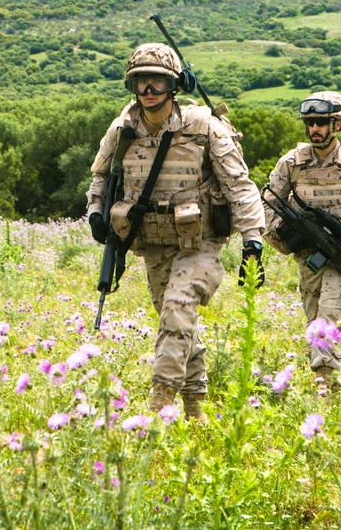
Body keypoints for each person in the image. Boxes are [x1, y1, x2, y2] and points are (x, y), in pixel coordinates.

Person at [85, 43, 264, 420]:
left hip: (199, 241)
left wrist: (253, 240)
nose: (148, 91)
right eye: (140, 82)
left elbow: (240, 186)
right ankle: (195, 410)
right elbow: (101, 177)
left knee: (178, 310)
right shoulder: (122, 129)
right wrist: (96, 212)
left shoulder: (203, 127)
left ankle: (157, 409)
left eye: (157, 82)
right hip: (151, 243)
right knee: (177, 326)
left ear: (174, 86)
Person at [262, 92, 341, 389]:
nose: (314, 129)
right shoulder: (291, 163)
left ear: (338, 125)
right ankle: (331, 383)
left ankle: (326, 386)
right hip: (308, 257)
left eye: (321, 122)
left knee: (326, 322)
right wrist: (286, 237)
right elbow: (269, 204)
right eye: (310, 123)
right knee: (313, 324)